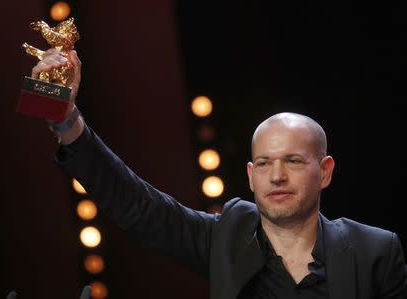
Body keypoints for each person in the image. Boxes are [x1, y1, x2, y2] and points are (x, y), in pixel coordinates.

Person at [31, 49, 407, 299]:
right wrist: (65, 121)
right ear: (250, 175)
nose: (276, 175)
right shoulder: (227, 237)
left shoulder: (375, 251)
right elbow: (138, 206)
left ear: (324, 172)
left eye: (292, 161)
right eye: (263, 163)